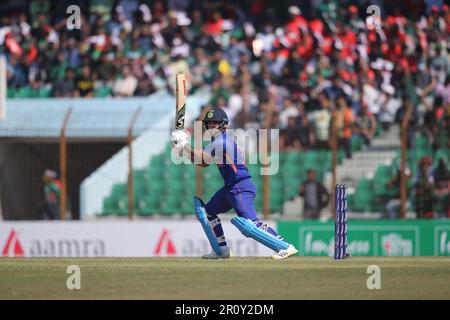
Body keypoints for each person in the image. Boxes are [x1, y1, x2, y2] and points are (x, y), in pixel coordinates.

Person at [171, 108, 298, 260]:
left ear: (223, 125)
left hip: (241, 187)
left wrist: (184, 144)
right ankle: (221, 250)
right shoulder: (217, 141)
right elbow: (203, 163)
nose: (211, 126)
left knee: (249, 224)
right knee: (206, 212)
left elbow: (202, 158)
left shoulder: (222, 141)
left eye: (215, 123)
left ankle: (285, 246)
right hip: (230, 188)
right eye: (209, 123)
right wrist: (182, 148)